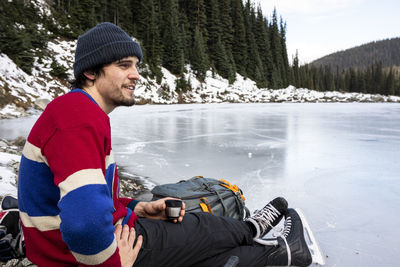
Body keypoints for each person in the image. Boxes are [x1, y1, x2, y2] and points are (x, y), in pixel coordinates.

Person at [17, 22, 313, 267]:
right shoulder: (77, 116)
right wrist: (113, 263)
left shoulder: (80, 112)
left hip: (72, 246)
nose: (136, 75)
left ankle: (263, 240)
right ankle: (269, 242)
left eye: (136, 65)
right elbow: (84, 224)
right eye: (124, 65)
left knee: (197, 238)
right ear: (91, 72)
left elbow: (87, 197)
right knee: (200, 230)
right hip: (75, 254)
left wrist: (138, 208)